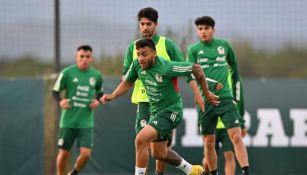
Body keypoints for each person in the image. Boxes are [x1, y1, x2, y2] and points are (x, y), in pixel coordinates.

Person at [101, 38, 219, 175]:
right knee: (159, 153)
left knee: (141, 139)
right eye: (138, 54)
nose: (140, 58)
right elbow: (127, 82)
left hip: (172, 112)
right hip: (156, 112)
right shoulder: (137, 65)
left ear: (154, 53)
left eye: (144, 54)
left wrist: (206, 93)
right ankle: (192, 170)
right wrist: (112, 95)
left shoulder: (166, 67)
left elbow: (196, 69)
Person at [122, 7, 204, 175]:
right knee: (145, 146)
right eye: (142, 24)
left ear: (156, 25)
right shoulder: (133, 48)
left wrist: (197, 93)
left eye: (149, 24)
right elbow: (126, 76)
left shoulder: (167, 45)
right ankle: (191, 170)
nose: (145, 28)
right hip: (144, 103)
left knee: (159, 151)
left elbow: (186, 70)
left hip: (165, 104)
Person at [187, 16, 250, 175]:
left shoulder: (224, 46)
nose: (203, 32)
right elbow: (191, 75)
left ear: (213, 30)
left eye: (206, 28)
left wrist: (234, 99)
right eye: (200, 29)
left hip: (225, 99)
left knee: (236, 136)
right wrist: (209, 84)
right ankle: (213, 172)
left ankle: (246, 171)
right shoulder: (193, 50)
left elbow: (234, 71)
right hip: (206, 101)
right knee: (208, 141)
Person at [52, 45, 104, 175]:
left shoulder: (96, 75)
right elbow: (55, 91)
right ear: (76, 57)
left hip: (86, 122)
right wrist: (61, 101)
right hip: (68, 121)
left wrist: (97, 101)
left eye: (87, 57)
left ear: (91, 59)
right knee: (64, 153)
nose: (84, 59)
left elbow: (100, 93)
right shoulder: (67, 72)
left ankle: (73, 172)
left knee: (86, 153)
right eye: (82, 56)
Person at [203, 77, 246, 175]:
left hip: (228, 125)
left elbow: (239, 101)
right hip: (212, 124)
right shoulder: (208, 73)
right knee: (207, 159)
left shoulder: (234, 77)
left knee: (229, 155)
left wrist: (241, 122)